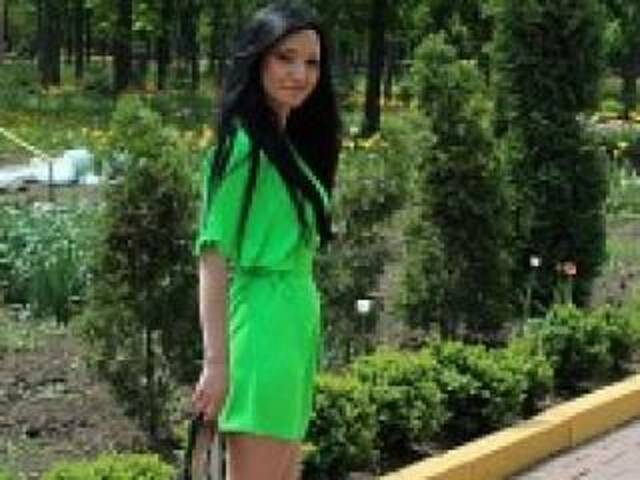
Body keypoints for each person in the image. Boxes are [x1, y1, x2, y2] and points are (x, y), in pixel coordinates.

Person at [191, 2, 341, 479]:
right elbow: (212, 258)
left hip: (293, 327)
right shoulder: (241, 150)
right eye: (285, 58)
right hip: (262, 330)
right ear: (257, 59)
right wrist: (216, 364)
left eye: (311, 62)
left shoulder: (287, 149)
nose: (300, 74)